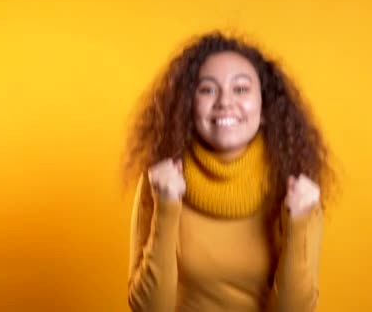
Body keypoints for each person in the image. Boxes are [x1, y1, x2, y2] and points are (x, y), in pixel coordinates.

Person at [124, 31, 334, 311]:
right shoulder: (161, 182)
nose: (224, 101)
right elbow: (149, 309)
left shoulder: (296, 188)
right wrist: (166, 208)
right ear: (189, 106)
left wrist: (297, 225)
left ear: (265, 110)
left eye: (241, 89)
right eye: (207, 89)